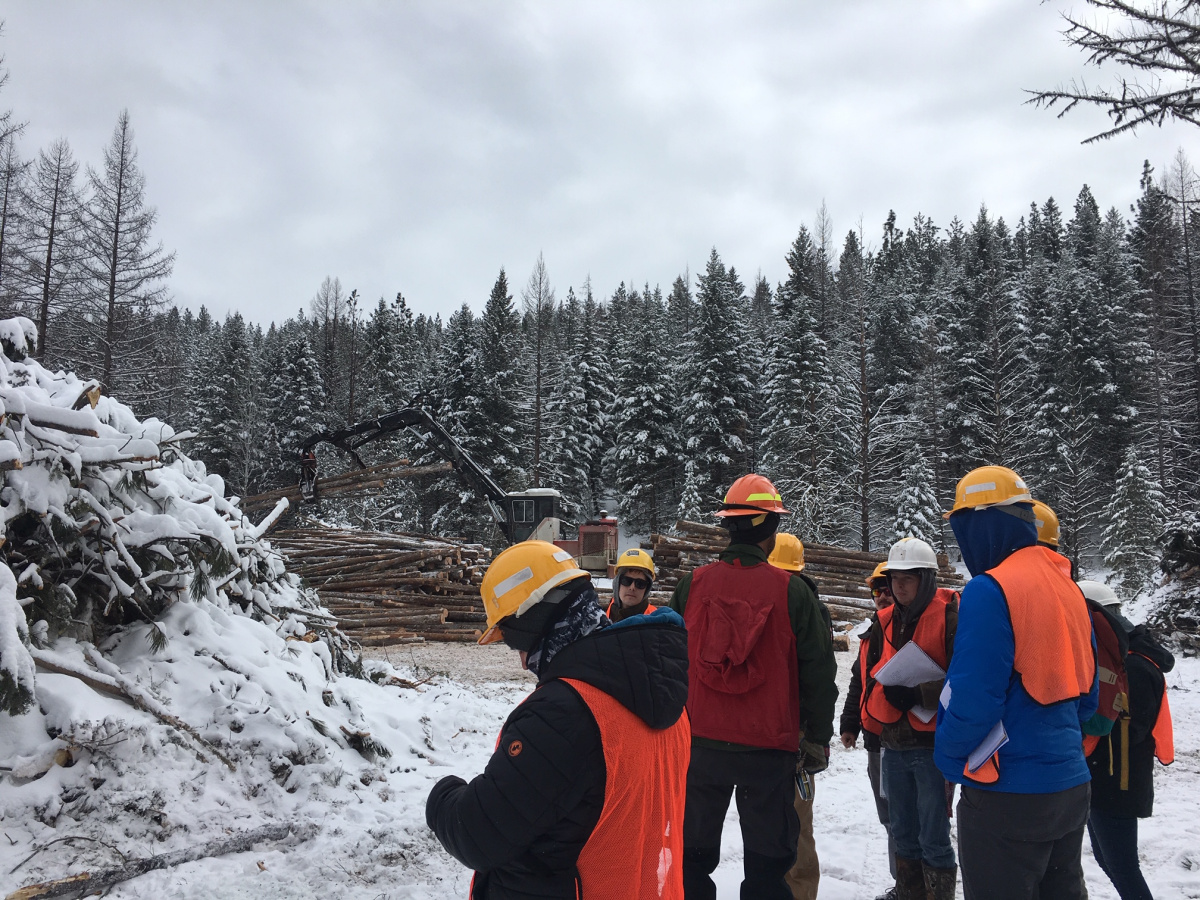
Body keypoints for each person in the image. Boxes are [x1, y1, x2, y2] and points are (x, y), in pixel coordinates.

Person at [426, 540, 691, 899]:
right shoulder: (661, 692)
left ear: (536, 619)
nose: (522, 660)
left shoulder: (564, 714)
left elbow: (477, 835)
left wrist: (442, 795)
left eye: (515, 640)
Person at [669, 474, 838, 900]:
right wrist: (817, 738)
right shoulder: (793, 592)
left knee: (690, 859)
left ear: (728, 525)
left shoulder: (693, 586)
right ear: (771, 529)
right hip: (769, 752)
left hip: (700, 746)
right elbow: (818, 673)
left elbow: (666, 656)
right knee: (768, 868)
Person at [935, 466, 1098, 900]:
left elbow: (974, 700)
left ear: (981, 523)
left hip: (1007, 795)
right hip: (1069, 786)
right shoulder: (1070, 590)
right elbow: (1088, 697)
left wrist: (948, 760)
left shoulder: (991, 590)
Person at [858, 538, 958, 900]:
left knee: (933, 835)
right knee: (901, 832)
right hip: (892, 742)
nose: (898, 587)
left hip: (932, 746)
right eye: (894, 579)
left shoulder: (950, 617)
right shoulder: (883, 620)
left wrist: (920, 694)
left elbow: (968, 679)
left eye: (908, 579)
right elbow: (866, 674)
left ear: (927, 579)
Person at [1078, 580, 1175, 900]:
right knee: (1108, 861)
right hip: (1103, 777)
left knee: (1122, 865)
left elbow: (1133, 729)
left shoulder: (1134, 665)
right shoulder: (1116, 658)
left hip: (1118, 783)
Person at [840, 561, 899, 900]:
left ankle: (914, 884)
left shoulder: (908, 629)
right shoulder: (869, 633)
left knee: (909, 818)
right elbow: (858, 683)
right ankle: (903, 883)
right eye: (876, 590)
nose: (880, 596)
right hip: (875, 738)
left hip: (906, 739)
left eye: (887, 589)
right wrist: (850, 724)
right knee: (889, 816)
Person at [769, 532, 822, 900]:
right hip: (771, 733)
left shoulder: (810, 612)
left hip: (796, 736)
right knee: (772, 829)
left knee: (797, 826)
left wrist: (815, 738)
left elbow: (818, 681)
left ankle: (799, 894)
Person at [607, 547, 657, 622]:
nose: (632, 587)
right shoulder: (604, 615)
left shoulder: (655, 620)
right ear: (617, 584)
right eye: (626, 581)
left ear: (647, 589)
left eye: (640, 583)